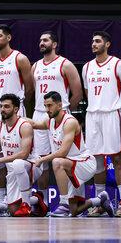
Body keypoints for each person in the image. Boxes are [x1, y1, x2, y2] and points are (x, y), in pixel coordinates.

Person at [31, 91, 113, 217]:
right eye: (45, 106)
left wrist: (42, 159)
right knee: (74, 211)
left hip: (83, 163)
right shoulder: (50, 121)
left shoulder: (69, 122)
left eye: (50, 105)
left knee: (57, 162)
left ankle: (63, 203)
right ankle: (100, 199)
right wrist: (18, 118)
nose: (47, 109)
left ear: (60, 105)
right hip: (69, 166)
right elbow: (34, 124)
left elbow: (63, 152)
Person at [82, 31, 121, 217]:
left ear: (107, 44)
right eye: (92, 41)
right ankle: (101, 203)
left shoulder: (118, 64)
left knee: (117, 159)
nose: (94, 44)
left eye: (97, 41)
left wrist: (119, 112)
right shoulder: (86, 67)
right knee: (96, 161)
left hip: (112, 114)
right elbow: (88, 93)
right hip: (93, 115)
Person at [32, 30, 83, 210]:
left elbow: (77, 93)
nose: (42, 43)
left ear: (54, 44)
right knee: (41, 161)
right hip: (40, 113)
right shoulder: (35, 66)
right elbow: (32, 92)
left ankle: (71, 202)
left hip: (60, 115)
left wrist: (64, 112)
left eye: (45, 40)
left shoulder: (65, 64)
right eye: (40, 40)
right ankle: (43, 204)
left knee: (65, 158)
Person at [0, 24, 34, 205]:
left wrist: (18, 106)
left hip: (14, 109)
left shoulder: (20, 58)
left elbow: (29, 88)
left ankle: (23, 198)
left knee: (17, 155)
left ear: (8, 38)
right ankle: (1, 200)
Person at [0, 93, 40, 217]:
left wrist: (0, 160)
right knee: (13, 210)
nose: (2, 109)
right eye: (1, 106)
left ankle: (26, 204)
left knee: (18, 163)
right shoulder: (1, 125)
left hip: (31, 165)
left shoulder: (24, 125)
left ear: (16, 109)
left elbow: (24, 154)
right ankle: (37, 200)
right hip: (13, 170)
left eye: (7, 106)